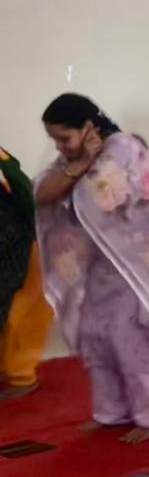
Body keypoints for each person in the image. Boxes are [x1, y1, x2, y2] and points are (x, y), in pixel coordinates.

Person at [34, 94, 149, 443]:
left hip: (142, 263)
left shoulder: (124, 148)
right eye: (55, 141)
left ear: (89, 127)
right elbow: (43, 191)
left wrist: (76, 173)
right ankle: (111, 412)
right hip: (104, 265)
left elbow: (101, 198)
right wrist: (79, 165)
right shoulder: (78, 157)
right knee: (97, 336)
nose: (60, 148)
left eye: (64, 138)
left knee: (133, 340)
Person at [1, 147, 53, 401]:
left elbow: (27, 194)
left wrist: (4, 160)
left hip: (26, 253)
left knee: (20, 316)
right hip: (7, 259)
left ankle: (23, 377)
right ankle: (6, 369)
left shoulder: (12, 187)